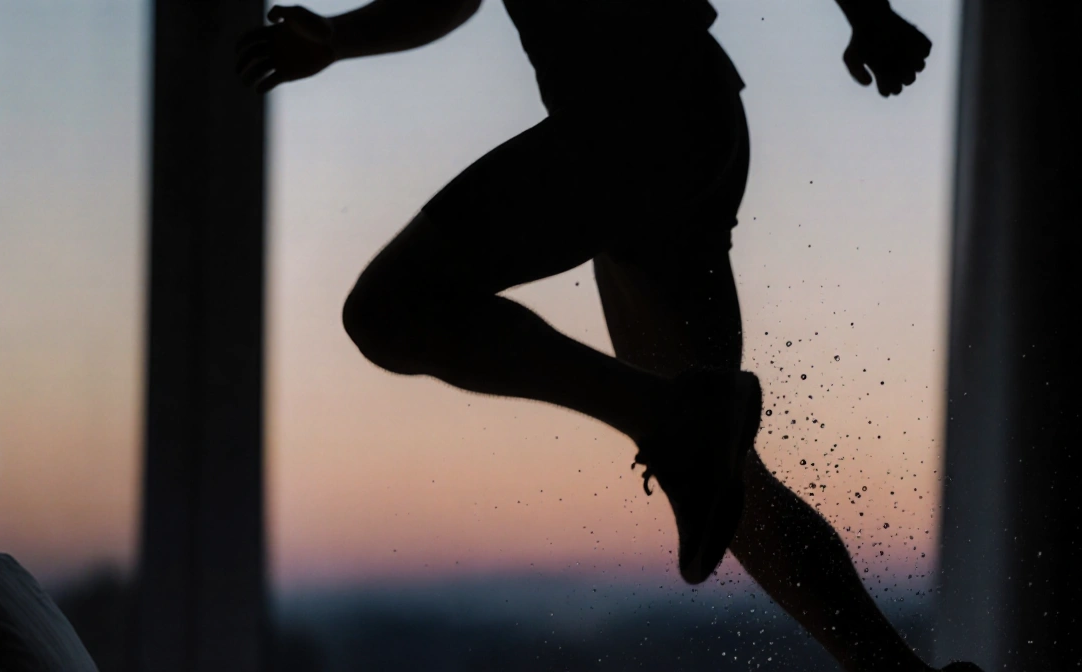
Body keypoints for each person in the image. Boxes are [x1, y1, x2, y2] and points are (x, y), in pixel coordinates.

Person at [235, 2, 979, 670]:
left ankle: (670, 419)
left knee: (389, 310)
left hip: (632, 122)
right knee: (729, 480)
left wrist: (869, 11)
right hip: (686, 122)